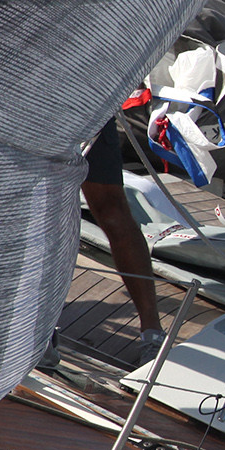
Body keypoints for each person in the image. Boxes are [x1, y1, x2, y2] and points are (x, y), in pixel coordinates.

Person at [81, 119, 165, 361]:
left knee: (113, 212)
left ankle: (152, 332)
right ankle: (38, 330)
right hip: (23, 112)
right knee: (45, 214)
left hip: (88, 109)